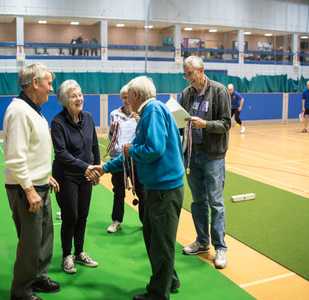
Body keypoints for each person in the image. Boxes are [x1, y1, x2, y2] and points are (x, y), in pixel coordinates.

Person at [96, 76, 185, 300]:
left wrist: (130, 151)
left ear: (137, 95)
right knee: (154, 237)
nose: (127, 101)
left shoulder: (152, 111)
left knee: (160, 242)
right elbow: (134, 151)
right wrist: (105, 168)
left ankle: (158, 293)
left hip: (165, 189)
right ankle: (168, 280)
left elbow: (152, 149)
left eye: (128, 96)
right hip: (160, 188)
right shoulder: (149, 112)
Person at [3, 62, 60, 300]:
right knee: (30, 242)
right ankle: (21, 290)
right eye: (48, 83)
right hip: (26, 188)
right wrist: (29, 188)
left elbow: (31, 150)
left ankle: (38, 277)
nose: (51, 88)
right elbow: (15, 157)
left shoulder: (33, 109)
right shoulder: (19, 111)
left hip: (39, 183)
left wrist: (43, 174)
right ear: (34, 83)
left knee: (45, 235)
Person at [180, 56, 231, 269]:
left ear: (201, 70)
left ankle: (220, 248)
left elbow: (226, 123)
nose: (188, 78)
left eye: (191, 73)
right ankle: (202, 242)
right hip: (191, 155)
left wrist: (206, 124)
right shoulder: (185, 94)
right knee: (198, 201)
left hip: (213, 156)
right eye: (185, 75)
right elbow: (180, 123)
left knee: (216, 202)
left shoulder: (219, 91)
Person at [51, 79, 100, 274]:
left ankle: (79, 252)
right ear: (64, 100)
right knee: (70, 216)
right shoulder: (57, 123)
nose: (78, 98)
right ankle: (66, 255)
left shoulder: (88, 117)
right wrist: (86, 167)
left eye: (79, 94)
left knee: (83, 215)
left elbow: (94, 146)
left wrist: (96, 168)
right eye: (73, 96)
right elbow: (61, 154)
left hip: (86, 175)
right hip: (66, 176)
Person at [106, 84, 146, 233]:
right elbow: (112, 139)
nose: (126, 100)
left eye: (128, 97)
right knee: (119, 191)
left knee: (142, 190)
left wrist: (139, 122)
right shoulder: (114, 114)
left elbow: (144, 136)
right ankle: (117, 221)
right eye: (124, 97)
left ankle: (145, 221)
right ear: (121, 99)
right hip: (118, 158)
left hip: (135, 158)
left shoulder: (140, 115)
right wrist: (111, 130)